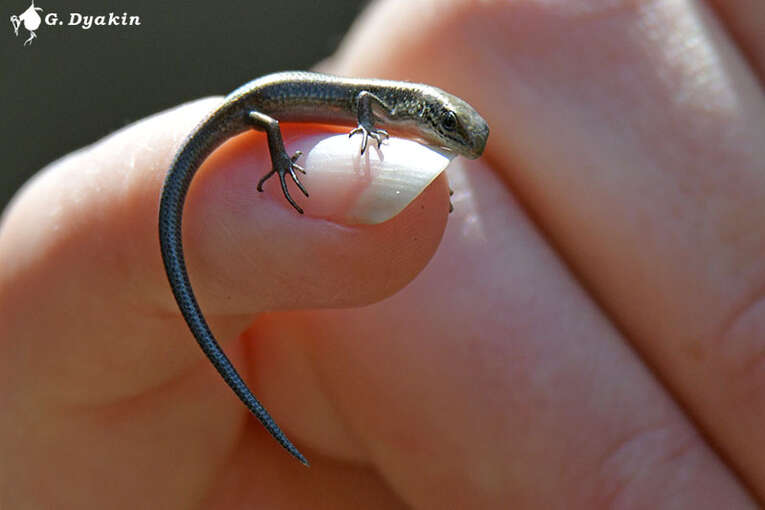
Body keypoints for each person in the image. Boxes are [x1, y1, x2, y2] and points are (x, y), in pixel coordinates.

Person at [1, 0, 763, 507]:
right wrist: (342, 139)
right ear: (429, 114)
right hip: (250, 111)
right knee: (259, 179)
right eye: (450, 131)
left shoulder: (408, 110)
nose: (453, 141)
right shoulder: (386, 104)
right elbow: (363, 106)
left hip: (262, 113)